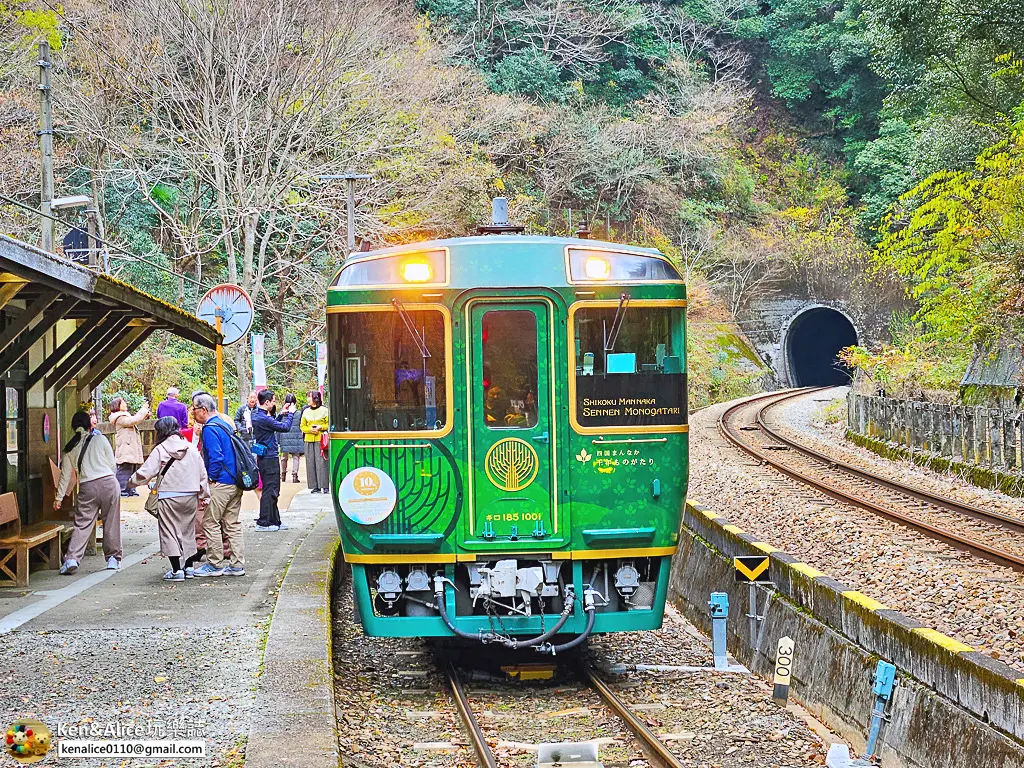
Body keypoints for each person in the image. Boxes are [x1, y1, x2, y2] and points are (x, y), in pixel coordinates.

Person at [128, 417, 210, 581]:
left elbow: (146, 472)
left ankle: (176, 570)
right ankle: (189, 568)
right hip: (190, 495)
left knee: (169, 531)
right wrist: (204, 495)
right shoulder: (190, 448)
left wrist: (131, 483)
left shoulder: (160, 449)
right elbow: (202, 474)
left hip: (168, 496)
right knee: (188, 531)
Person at [55, 410, 122, 574]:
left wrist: (59, 498)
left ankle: (72, 559)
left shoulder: (69, 448)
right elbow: (112, 465)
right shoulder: (100, 439)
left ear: (73, 426)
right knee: (111, 522)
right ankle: (113, 559)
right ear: (88, 424)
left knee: (82, 524)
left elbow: (65, 476)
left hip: (86, 487)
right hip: (108, 483)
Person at [189, 392, 245, 577]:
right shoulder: (225, 424)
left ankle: (214, 564)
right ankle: (237, 565)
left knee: (210, 522)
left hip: (221, 482)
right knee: (232, 524)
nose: (193, 413)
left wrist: (210, 479)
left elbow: (216, 456)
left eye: (194, 409)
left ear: (203, 410)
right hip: (235, 481)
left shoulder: (210, 428)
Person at [252, 389, 296, 531]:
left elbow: (270, 426)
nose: (275, 403)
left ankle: (275, 520)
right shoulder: (263, 418)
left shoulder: (259, 415)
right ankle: (263, 522)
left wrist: (281, 414)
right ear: (267, 402)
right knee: (270, 490)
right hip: (269, 458)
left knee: (272, 489)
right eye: (273, 401)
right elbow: (285, 427)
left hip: (265, 457)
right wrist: (290, 414)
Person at [110, 396, 150, 496]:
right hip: (126, 448)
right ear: (117, 406)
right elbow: (134, 420)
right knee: (125, 469)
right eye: (123, 403)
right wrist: (143, 409)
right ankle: (121, 490)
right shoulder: (119, 418)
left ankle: (130, 489)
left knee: (133, 469)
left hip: (130, 448)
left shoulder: (124, 416)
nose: (125, 404)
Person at [301, 390, 330, 493]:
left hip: (321, 440)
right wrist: (310, 430)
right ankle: (315, 486)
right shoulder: (305, 411)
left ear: (315, 398)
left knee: (322, 462)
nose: (308, 399)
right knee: (310, 462)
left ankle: (325, 485)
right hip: (308, 439)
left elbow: (329, 425)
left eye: (310, 397)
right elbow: (302, 426)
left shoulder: (325, 410)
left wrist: (320, 427)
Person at [278, 393, 305, 484]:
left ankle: (283, 475)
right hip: (296, 437)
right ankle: (294, 475)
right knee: (295, 457)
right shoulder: (298, 414)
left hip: (284, 437)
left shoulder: (282, 414)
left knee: (284, 457)